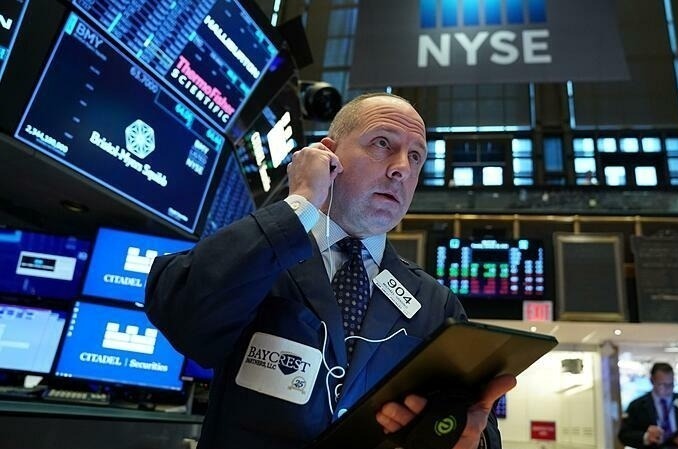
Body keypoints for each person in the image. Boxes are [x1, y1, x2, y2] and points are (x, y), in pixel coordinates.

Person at [145, 92, 516, 449]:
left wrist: (470, 441)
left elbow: (475, 426)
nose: (402, 168)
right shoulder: (263, 252)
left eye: (416, 156)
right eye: (382, 143)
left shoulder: (436, 304)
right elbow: (184, 314)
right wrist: (301, 203)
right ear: (328, 154)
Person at [618, 362, 678, 449]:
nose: (667, 389)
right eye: (662, 384)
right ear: (652, 381)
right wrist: (646, 437)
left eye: (670, 384)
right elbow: (624, 435)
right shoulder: (637, 406)